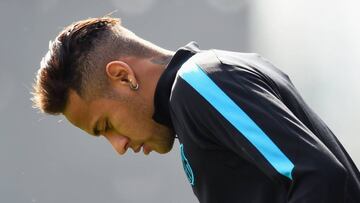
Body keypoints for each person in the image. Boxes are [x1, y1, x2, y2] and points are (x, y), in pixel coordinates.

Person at [32, 17, 360, 203]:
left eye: (105, 125)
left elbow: (323, 180)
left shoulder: (199, 82)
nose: (118, 146)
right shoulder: (197, 95)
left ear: (123, 76)